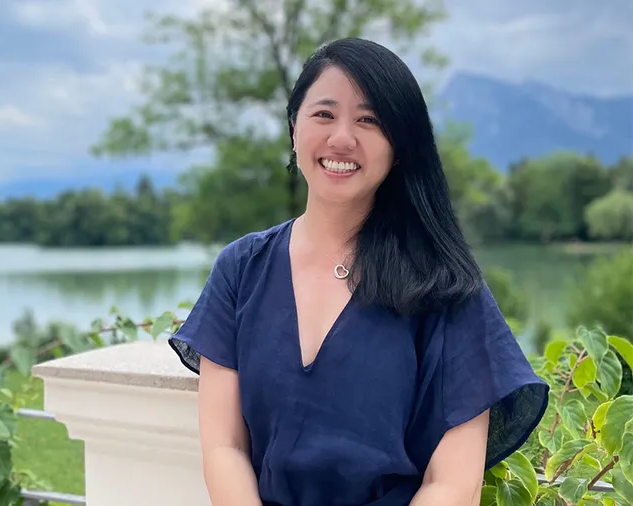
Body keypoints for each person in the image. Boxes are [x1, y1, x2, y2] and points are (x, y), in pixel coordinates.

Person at [167, 37, 549, 506]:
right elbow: (224, 447)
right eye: (324, 114)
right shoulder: (241, 269)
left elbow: (452, 485)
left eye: (369, 120)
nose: (342, 137)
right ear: (293, 129)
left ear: (399, 146)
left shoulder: (445, 286)